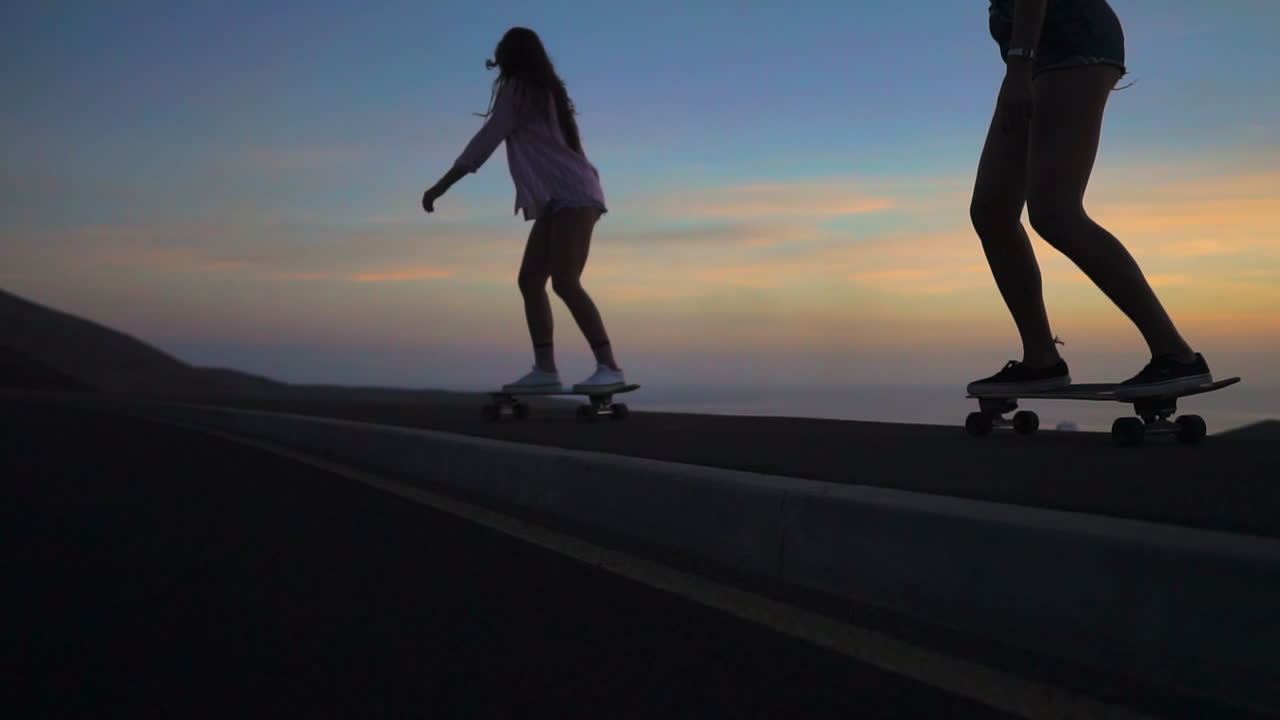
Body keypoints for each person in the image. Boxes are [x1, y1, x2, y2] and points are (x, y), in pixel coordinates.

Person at [966, 0, 1211, 397]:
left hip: (1072, 44)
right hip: (1035, 56)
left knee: (1055, 213)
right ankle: (1041, 360)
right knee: (992, 211)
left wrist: (1018, 68)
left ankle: (1177, 355)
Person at [421, 27, 625, 394]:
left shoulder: (520, 90)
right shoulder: (544, 91)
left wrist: (441, 185)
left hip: (573, 195)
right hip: (558, 198)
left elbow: (486, 140)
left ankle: (609, 366)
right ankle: (545, 369)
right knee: (530, 280)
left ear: (509, 56)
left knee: (564, 281)